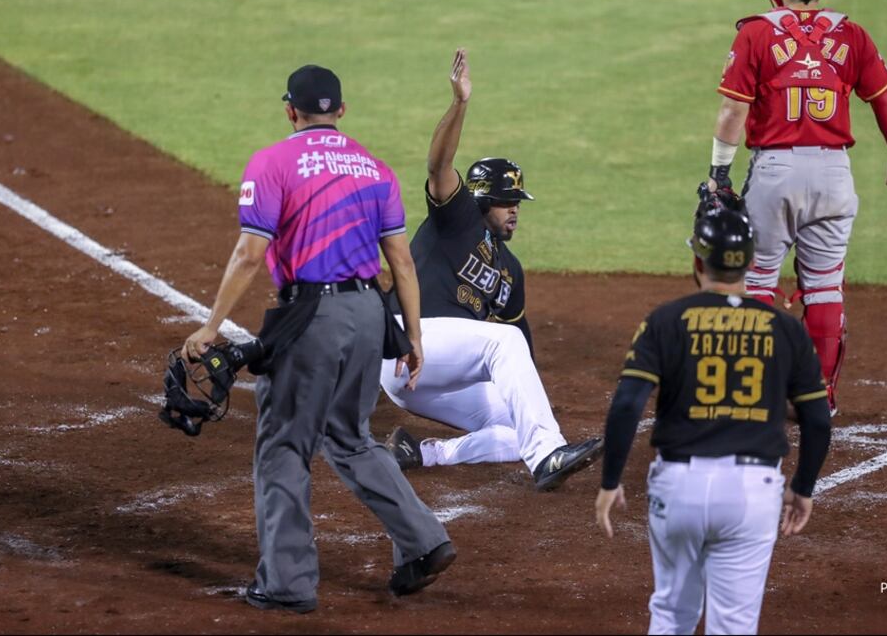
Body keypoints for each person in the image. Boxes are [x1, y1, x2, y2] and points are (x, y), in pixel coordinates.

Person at [183, 64, 454, 613]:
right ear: (341, 113)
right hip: (368, 317)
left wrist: (211, 327)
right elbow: (400, 260)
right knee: (350, 437)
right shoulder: (375, 169)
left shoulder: (274, 161)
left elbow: (250, 253)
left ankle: (287, 584)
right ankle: (424, 543)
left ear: (290, 110)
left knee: (283, 445)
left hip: (311, 317)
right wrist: (413, 337)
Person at [594, 208, 833, 635]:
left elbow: (628, 405)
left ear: (698, 262)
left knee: (670, 615)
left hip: (678, 487)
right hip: (751, 494)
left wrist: (611, 481)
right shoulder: (785, 328)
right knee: (735, 627)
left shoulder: (665, 320)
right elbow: (817, 418)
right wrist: (804, 488)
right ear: (749, 262)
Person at [379, 48, 604, 492]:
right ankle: (547, 457)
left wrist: (530, 398)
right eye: (507, 201)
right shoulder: (456, 220)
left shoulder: (510, 270)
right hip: (403, 344)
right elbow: (438, 166)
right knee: (503, 342)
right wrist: (460, 103)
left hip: (434, 374)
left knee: (517, 421)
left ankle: (420, 452)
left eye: (518, 202)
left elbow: (524, 346)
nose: (515, 210)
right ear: (481, 200)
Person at [706, 0, 887, 416]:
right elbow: (883, 98)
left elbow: (733, 110)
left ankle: (756, 392)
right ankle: (817, 399)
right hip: (834, 173)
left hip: (775, 172)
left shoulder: (758, 33)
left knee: (758, 280)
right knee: (823, 286)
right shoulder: (851, 34)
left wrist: (718, 173)